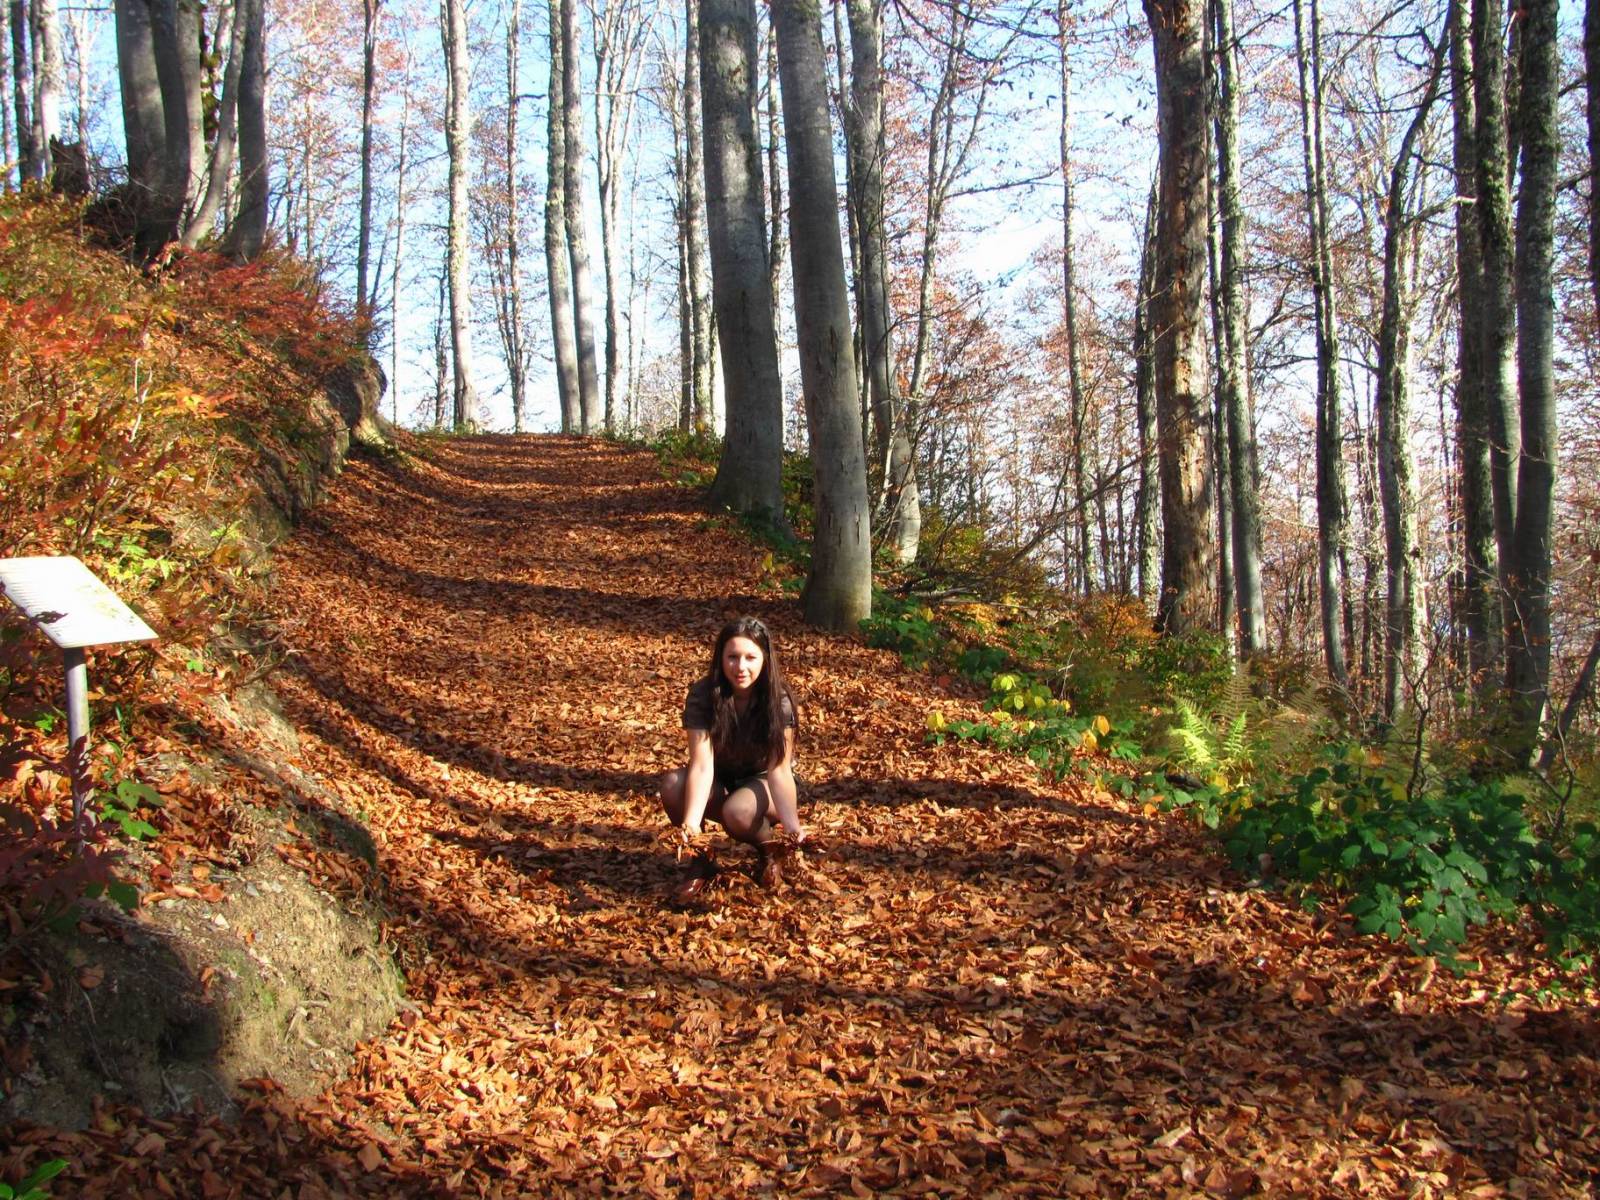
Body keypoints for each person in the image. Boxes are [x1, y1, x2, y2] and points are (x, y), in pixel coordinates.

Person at [659, 616, 807, 900]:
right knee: (673, 785)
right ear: (720, 658)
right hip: (719, 777)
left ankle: (770, 851)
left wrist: (792, 826)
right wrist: (691, 824)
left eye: (750, 657)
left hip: (765, 781)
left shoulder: (779, 700)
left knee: (737, 811)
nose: (741, 667)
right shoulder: (703, 695)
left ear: (765, 659)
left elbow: (779, 769)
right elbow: (701, 766)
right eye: (732, 657)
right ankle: (701, 860)